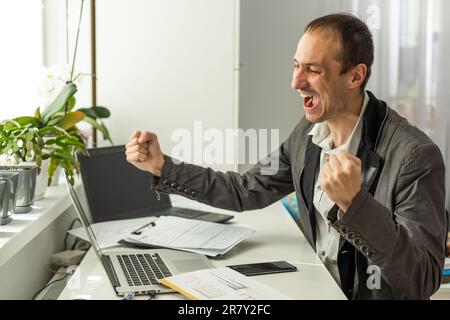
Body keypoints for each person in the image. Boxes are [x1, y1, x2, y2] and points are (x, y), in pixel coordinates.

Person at [125, 13, 447, 300]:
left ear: (354, 76)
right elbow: (246, 187)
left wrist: (355, 204)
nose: (295, 82)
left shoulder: (415, 157)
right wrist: (162, 166)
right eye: (296, 66)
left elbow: (422, 279)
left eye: (313, 69)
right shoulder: (306, 137)